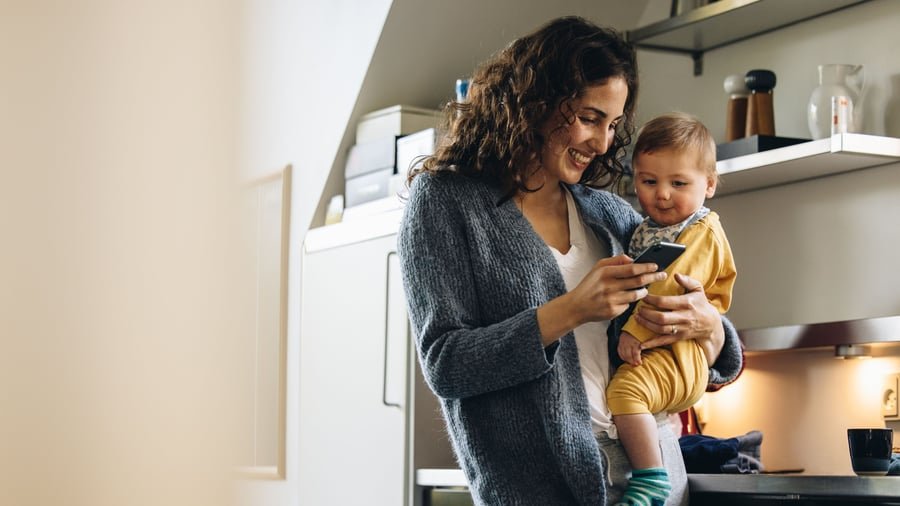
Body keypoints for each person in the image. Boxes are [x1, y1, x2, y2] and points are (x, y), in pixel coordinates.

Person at [398, 16, 743, 505]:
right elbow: (446, 364)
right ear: (533, 104)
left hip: (655, 470)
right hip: (539, 487)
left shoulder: (610, 214)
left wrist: (709, 325)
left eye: (613, 124)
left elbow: (714, 353)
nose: (602, 143)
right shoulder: (446, 201)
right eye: (588, 117)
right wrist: (573, 308)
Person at [606, 112, 737, 506]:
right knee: (627, 394)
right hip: (666, 351)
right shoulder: (646, 226)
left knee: (625, 394)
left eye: (678, 183)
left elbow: (668, 286)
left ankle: (650, 479)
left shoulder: (702, 230)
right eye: (648, 182)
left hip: (678, 353)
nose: (662, 194)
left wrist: (632, 333)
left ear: (709, 184)